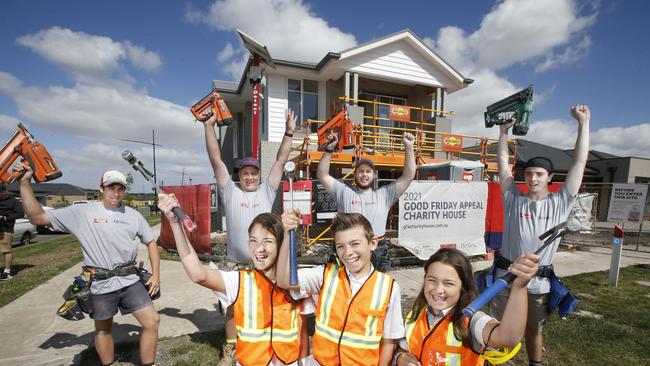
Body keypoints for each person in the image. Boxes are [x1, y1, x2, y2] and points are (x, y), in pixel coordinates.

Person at [16, 165, 160, 366]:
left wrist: (156, 275)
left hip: (130, 279)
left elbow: (151, 242)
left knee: (152, 322)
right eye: (111, 188)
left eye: (120, 188)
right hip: (100, 283)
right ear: (101, 188)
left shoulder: (133, 215)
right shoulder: (82, 211)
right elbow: (37, 217)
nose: (116, 193)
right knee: (103, 329)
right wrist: (25, 183)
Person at [157, 193, 311, 365]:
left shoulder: (297, 282)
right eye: (253, 241)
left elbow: (301, 332)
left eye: (268, 241)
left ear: (281, 243)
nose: (259, 249)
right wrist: (175, 224)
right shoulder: (240, 281)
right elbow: (197, 274)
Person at [491, 104, 590, 365]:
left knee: (534, 330)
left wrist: (583, 123)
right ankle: (491, 361)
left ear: (549, 177)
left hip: (538, 283)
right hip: (505, 278)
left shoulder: (561, 201)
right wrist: (503, 134)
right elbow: (502, 163)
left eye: (538, 174)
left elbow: (580, 161)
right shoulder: (513, 198)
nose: (532, 179)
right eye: (528, 174)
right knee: (496, 327)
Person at [200, 107, 297, 362]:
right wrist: (209, 127)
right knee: (231, 307)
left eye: (254, 173)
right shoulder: (230, 191)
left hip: (265, 264)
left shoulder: (268, 191)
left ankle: (266, 343)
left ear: (258, 175)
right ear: (239, 176)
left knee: (268, 303)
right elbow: (215, 161)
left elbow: (279, 161)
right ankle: (231, 347)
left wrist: (288, 133)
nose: (250, 177)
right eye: (245, 173)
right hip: (235, 264)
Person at [277, 210, 404, 366]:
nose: (348, 252)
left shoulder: (389, 288)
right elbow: (283, 280)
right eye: (340, 246)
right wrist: (286, 233)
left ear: (373, 243)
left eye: (355, 243)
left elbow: (389, 341)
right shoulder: (325, 275)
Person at [394, 248, 539, 366]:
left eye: (448, 283)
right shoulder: (416, 313)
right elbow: (403, 346)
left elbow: (507, 337)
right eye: (432, 281)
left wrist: (519, 287)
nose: (438, 290)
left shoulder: (471, 321)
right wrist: (400, 357)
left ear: (463, 287)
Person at [317, 131, 416, 272]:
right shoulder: (343, 192)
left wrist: (409, 147)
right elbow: (322, 174)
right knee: (346, 290)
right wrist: (329, 149)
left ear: (374, 175)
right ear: (355, 174)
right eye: (361, 171)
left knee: (377, 291)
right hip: (349, 248)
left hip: (378, 248)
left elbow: (408, 176)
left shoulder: (385, 194)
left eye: (368, 171)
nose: (364, 175)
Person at [0, 182, 24, 280]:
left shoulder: (13, 201)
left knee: (6, 251)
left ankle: (7, 272)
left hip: (6, 229)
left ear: (3, 192)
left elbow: (20, 214)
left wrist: (5, 217)